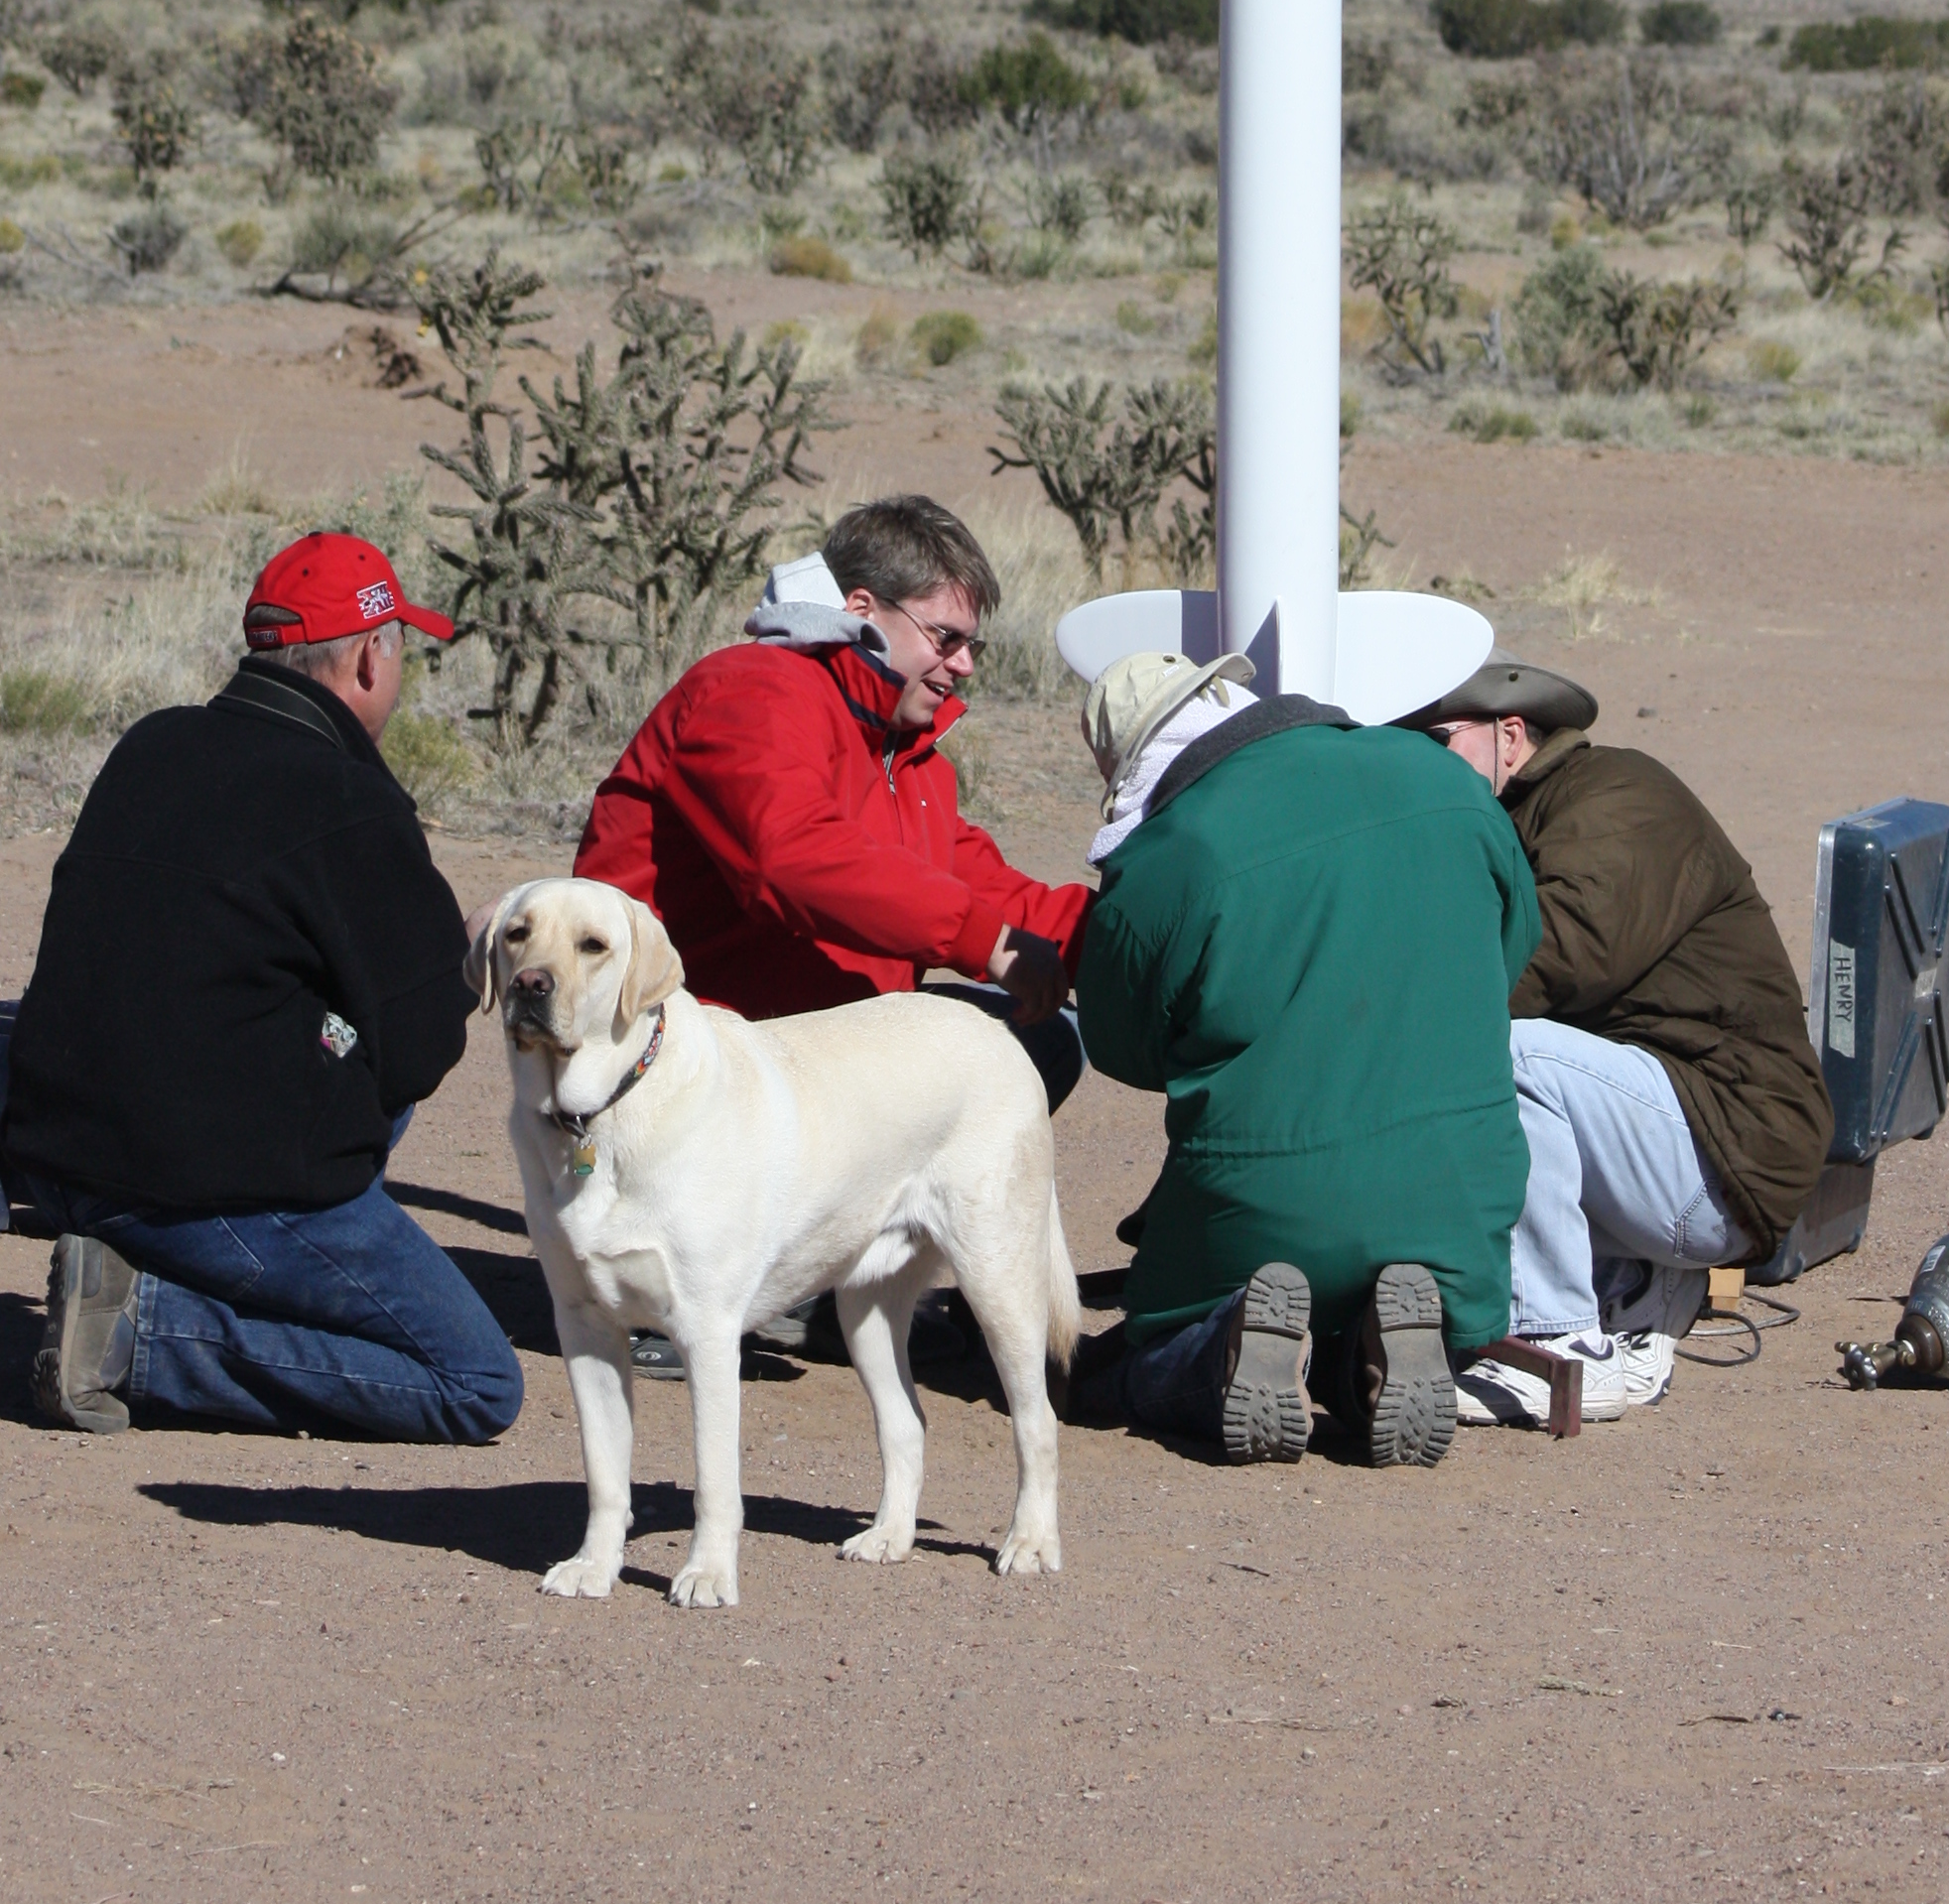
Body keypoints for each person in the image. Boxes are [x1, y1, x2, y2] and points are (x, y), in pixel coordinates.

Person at [4, 531, 522, 1446]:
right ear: (370, 658)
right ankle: (140, 1337)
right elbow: (420, 1050)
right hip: (192, 1185)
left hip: (58, 1160)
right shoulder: (348, 799)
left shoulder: (153, 742)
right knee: (475, 1383)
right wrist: (460, 958)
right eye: (401, 650)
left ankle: (149, 1275)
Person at [1071, 651, 1541, 1467]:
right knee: (1384, 1280)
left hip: (1257, 1198)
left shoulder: (1168, 852)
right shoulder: (1443, 776)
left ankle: (1224, 1348)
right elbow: (1512, 946)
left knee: (1143, 1353)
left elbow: (1122, 1048)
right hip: (1461, 1189)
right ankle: (1370, 1357)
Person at [1405, 658, 1832, 1431]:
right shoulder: (1505, 819)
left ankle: (1560, 1343)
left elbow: (1553, 955)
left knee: (1507, 1054)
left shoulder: (1620, 796)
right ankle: (1638, 1282)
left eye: (1436, 740)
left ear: (1510, 736)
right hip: (1667, 1146)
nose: (1418, 761)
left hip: (1727, 1147)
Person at [573, 495, 1089, 1105]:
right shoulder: (754, 691)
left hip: (798, 1038)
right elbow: (791, 855)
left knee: (1044, 1037)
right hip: (683, 1048)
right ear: (861, 609)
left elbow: (983, 887)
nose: (965, 665)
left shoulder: (903, 756)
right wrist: (988, 942)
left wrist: (1132, 936)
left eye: (973, 645)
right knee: (1001, 1055)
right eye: (946, 638)